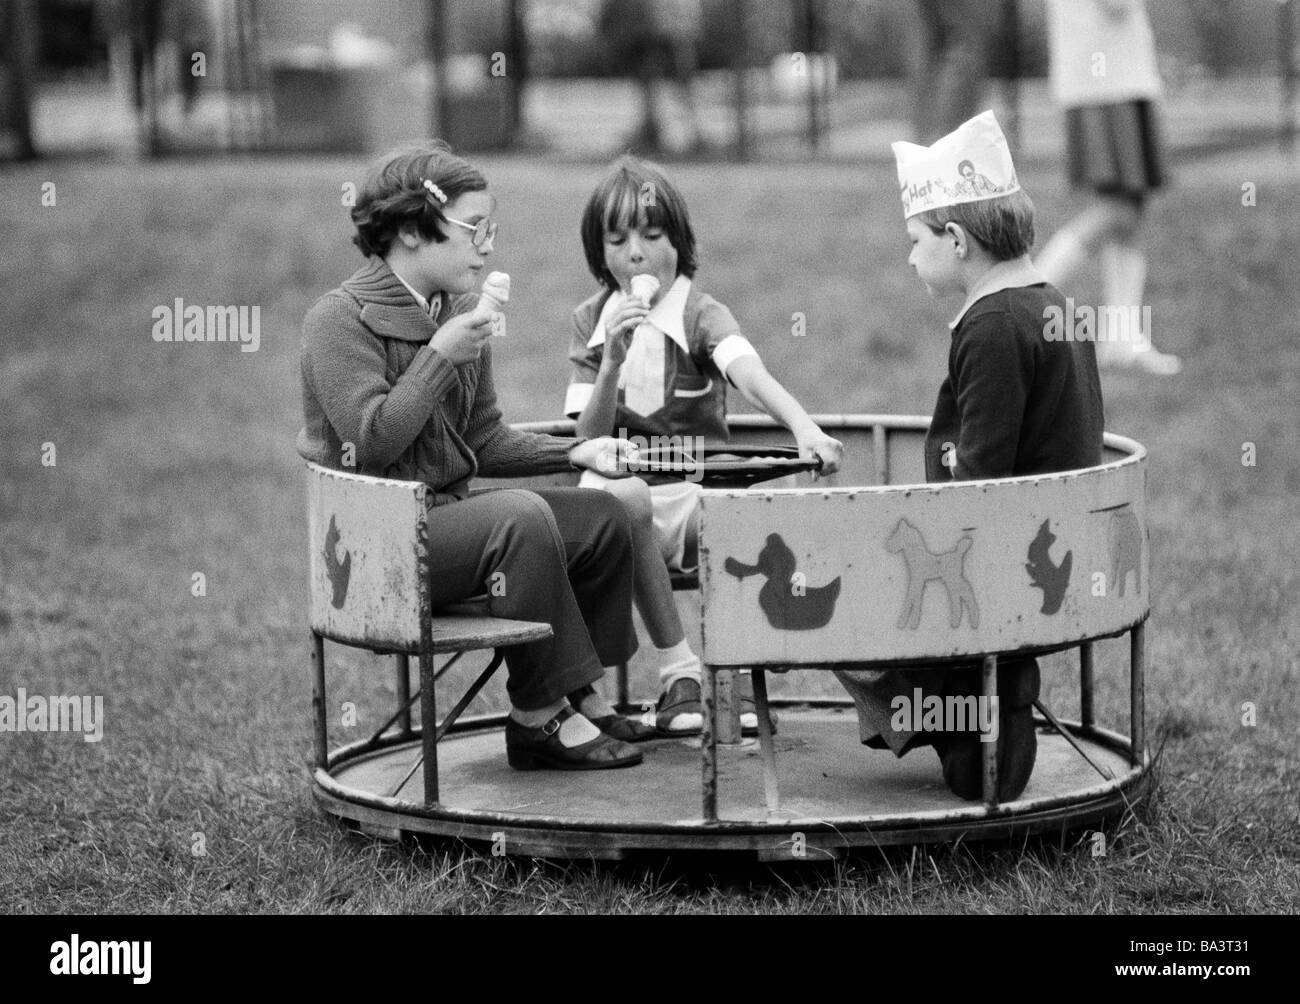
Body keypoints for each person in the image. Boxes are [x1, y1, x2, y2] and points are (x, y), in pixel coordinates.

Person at [298, 141, 652, 772]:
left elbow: (483, 438)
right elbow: (370, 441)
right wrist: (438, 358)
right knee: (517, 518)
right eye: (474, 229)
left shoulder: (458, 313)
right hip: (377, 546)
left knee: (605, 517)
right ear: (410, 229)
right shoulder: (338, 320)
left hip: (448, 531)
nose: (487, 245)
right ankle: (538, 717)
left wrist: (580, 447)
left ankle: (578, 694)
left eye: (493, 228)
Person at [835, 110, 1104, 801]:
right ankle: (972, 703)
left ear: (955, 239)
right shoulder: (1053, 304)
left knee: (842, 590)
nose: (909, 255)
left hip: (997, 556)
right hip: (1056, 540)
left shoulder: (989, 326)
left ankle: (981, 696)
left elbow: (983, 473)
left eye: (915, 239)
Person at [564, 155, 844, 735]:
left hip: (695, 499)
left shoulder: (699, 314)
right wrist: (611, 360)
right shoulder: (592, 321)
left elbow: (749, 374)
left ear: (679, 241)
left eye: (651, 234)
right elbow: (585, 438)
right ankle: (678, 674)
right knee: (619, 499)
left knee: (748, 525)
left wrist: (803, 426)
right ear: (600, 254)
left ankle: (733, 671)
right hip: (626, 507)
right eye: (616, 240)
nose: (634, 253)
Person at [1035, 0, 1181, 374]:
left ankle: (1123, 338)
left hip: (1116, 74)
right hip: (1102, 79)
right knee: (1117, 210)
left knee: (1131, 210)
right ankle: (1023, 296)